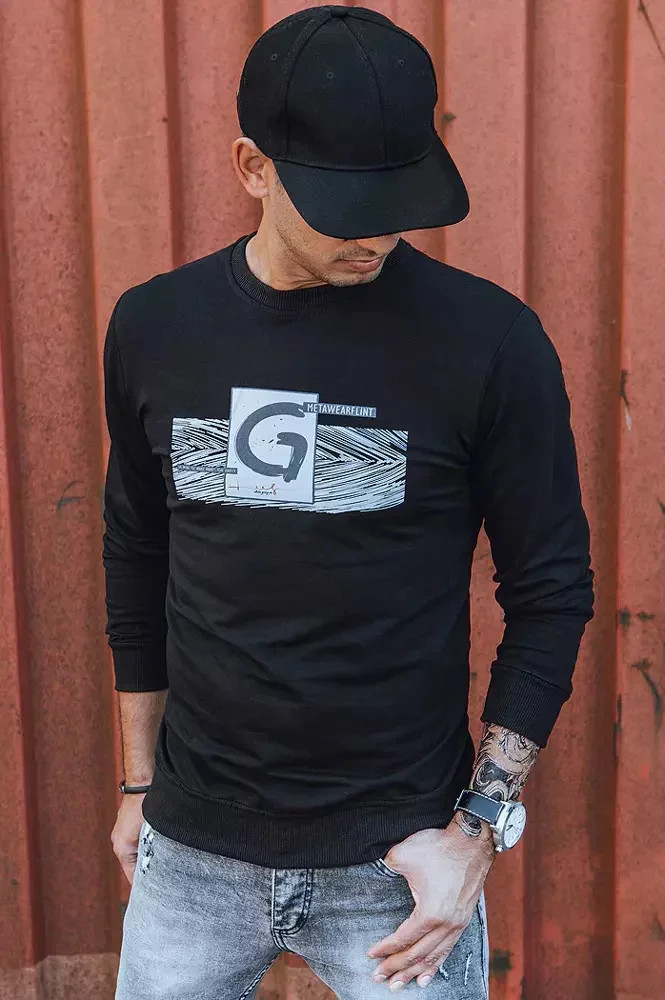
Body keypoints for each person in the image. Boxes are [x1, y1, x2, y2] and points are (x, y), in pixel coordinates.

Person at [103, 6, 594, 999]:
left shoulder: (489, 344)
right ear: (253, 168)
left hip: (397, 869)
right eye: (342, 205)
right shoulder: (155, 327)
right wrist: (137, 783)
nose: (376, 232)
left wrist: (476, 831)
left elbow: (551, 592)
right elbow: (136, 554)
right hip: (191, 856)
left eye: (395, 199)